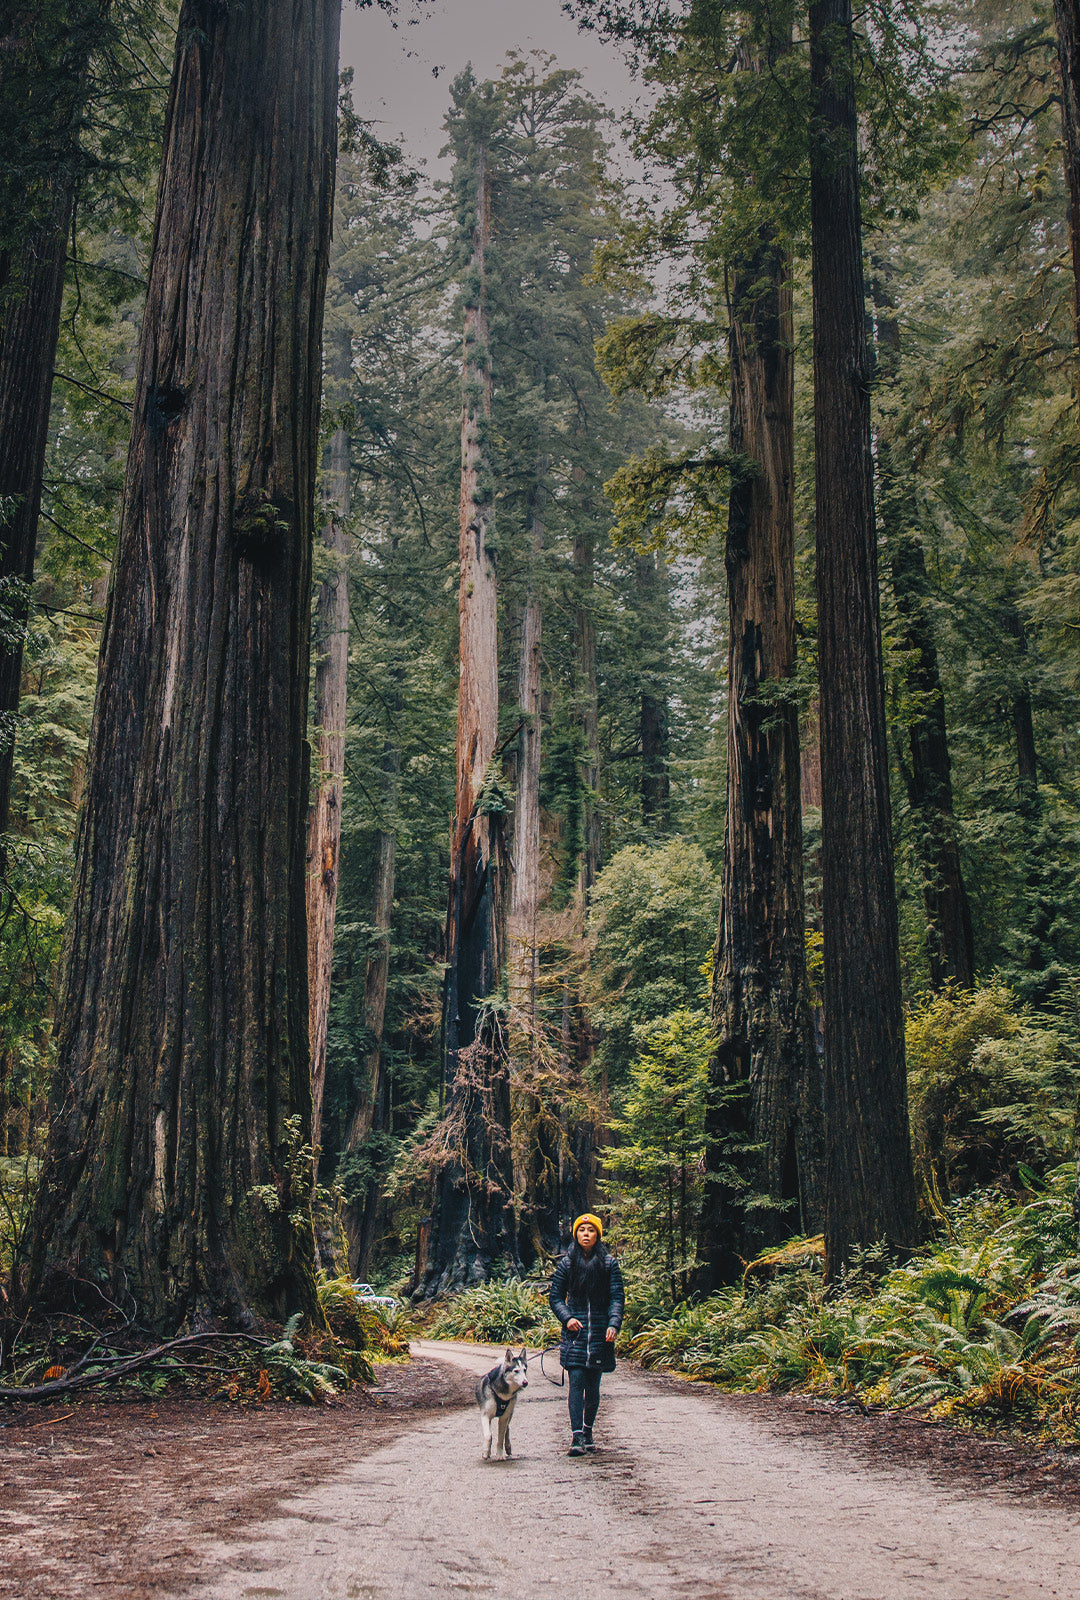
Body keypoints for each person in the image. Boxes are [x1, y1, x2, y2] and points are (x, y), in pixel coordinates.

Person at [548, 1213, 625, 1456]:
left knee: (593, 1387)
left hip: (601, 1334)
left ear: (598, 1235)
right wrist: (567, 1317)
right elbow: (556, 1297)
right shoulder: (567, 1264)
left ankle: (588, 1429)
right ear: (576, 1234)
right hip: (576, 1336)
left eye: (591, 1231)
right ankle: (576, 1437)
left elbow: (617, 1298)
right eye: (582, 1230)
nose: (586, 1234)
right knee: (576, 1384)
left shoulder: (609, 1264)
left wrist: (614, 1324)